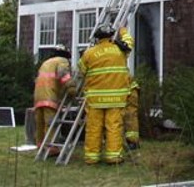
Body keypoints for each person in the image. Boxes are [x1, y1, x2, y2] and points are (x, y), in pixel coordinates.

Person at [78, 23, 134, 165]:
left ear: (97, 38)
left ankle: (92, 157)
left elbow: (81, 70)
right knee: (114, 127)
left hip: (95, 100)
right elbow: (129, 42)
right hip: (116, 99)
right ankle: (113, 157)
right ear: (111, 36)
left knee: (93, 128)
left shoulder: (89, 53)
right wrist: (122, 29)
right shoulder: (121, 50)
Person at [33, 44, 75, 153]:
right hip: (50, 97)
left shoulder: (46, 63)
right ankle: (51, 148)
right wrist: (71, 88)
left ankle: (40, 145)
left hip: (38, 97)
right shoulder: (62, 61)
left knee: (40, 124)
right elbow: (64, 76)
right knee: (51, 124)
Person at [123, 76, 140, 150]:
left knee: (130, 116)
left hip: (130, 91)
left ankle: (133, 142)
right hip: (130, 89)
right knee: (130, 116)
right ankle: (132, 141)